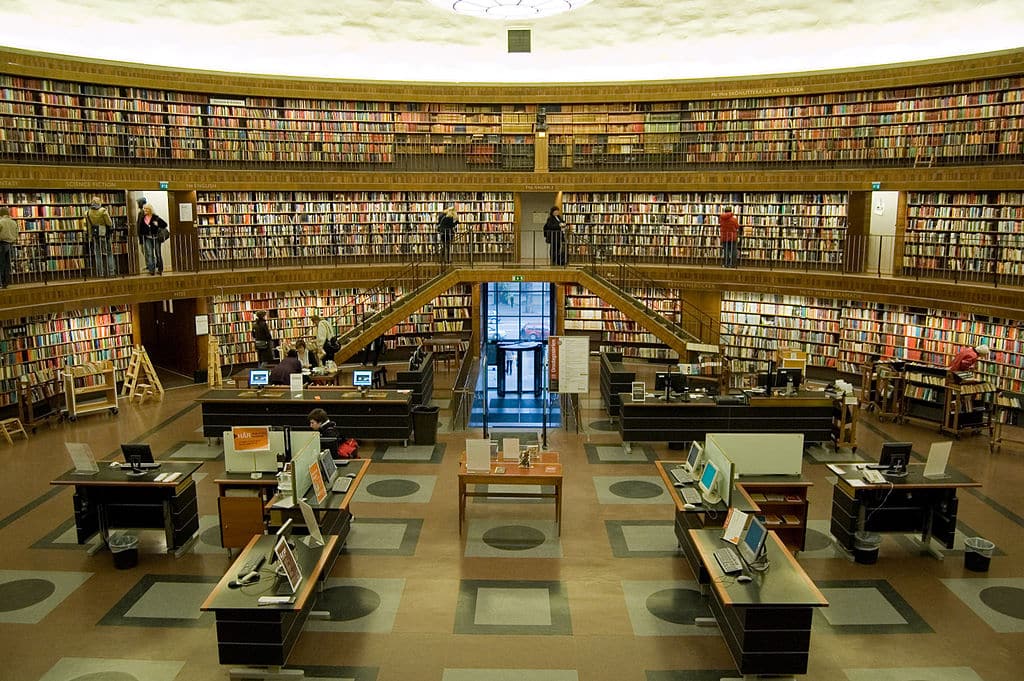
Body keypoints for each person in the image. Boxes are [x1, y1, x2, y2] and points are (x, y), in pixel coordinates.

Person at [83, 195, 115, 277]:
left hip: (95, 235)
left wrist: (90, 237)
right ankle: (111, 272)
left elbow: (89, 226)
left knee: (98, 254)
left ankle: (100, 273)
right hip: (105, 235)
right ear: (99, 202)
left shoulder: (88, 212)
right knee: (109, 253)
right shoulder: (103, 210)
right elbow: (109, 223)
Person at [137, 204, 169, 275]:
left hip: (156, 238)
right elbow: (140, 229)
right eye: (144, 209)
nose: (145, 210)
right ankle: (152, 270)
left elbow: (165, 224)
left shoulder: (156, 217)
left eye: (146, 209)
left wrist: (157, 224)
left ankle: (160, 269)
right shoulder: (143, 218)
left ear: (150, 210)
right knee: (149, 254)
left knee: (158, 254)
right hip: (147, 238)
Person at [0, 207, 18, 289]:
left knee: (1, 264)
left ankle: (1, 282)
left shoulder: (1, 222)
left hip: (1, 244)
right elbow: (16, 234)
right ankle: (6, 282)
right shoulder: (14, 222)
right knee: (7, 264)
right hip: (11, 245)